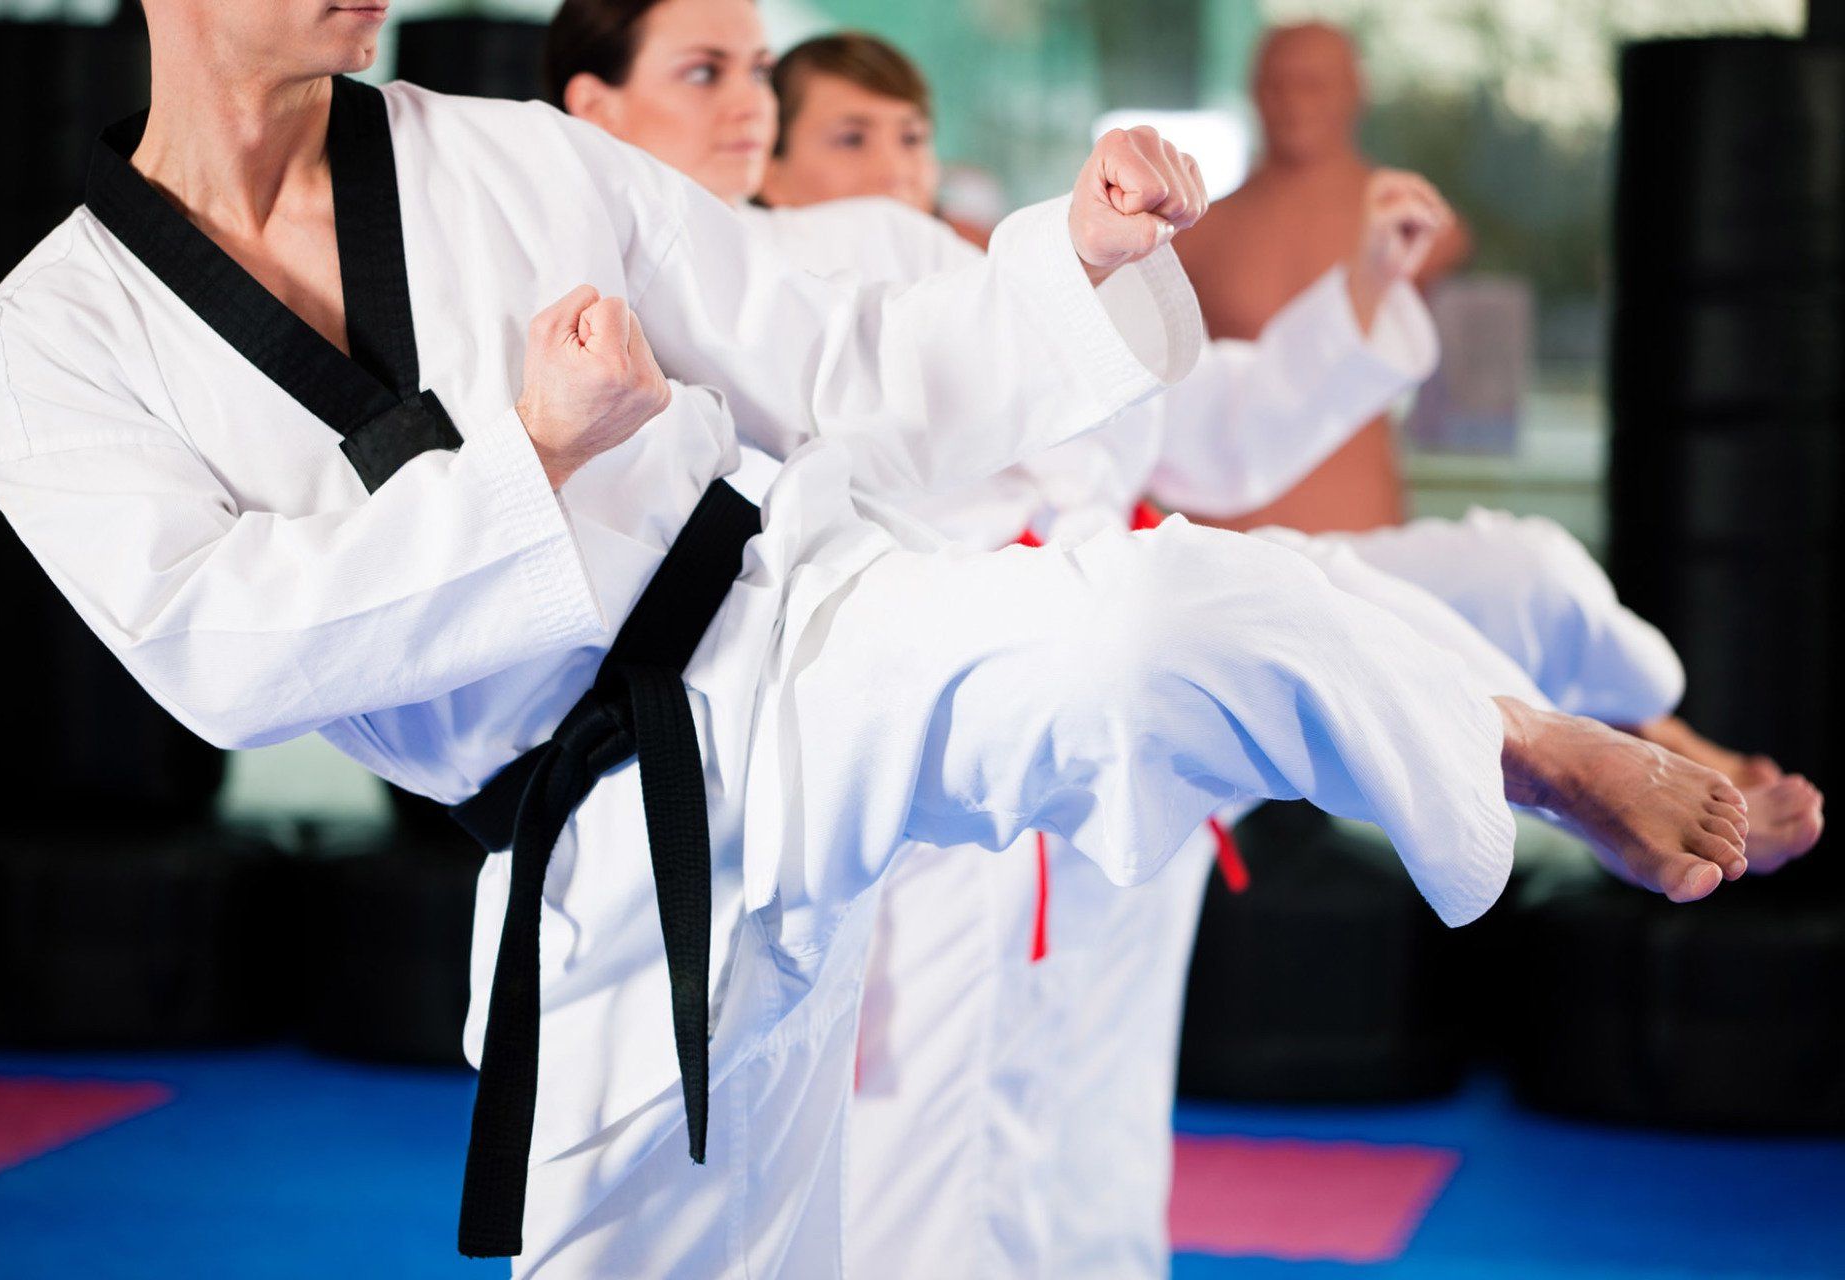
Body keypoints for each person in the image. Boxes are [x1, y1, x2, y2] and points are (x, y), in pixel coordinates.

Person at [0, 2, 1757, 1275]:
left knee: (1138, 618)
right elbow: (220, 647)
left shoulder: (507, 156)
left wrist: (1069, 259)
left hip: (795, 626)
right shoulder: (49, 340)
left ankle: (1512, 740)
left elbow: (827, 353)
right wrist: (535, 456)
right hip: (586, 827)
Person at [540, 10, 1814, 1276]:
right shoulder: (707, 307)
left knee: (1096, 1116)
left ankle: (1637, 732)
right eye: (849, 136)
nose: (891, 165)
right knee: (938, 1153)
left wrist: (1360, 297)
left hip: (1108, 655)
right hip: (948, 717)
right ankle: (1560, 752)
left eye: (910, 136)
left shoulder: (990, 283)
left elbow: (1217, 426)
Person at [1174, 19, 1468, 535]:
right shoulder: (1200, 233)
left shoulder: (1417, 227)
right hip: (1227, 530)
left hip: (1357, 521)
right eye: (1277, 85)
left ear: (1357, 91)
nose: (1295, 103)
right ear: (1254, 93)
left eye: (1314, 84)